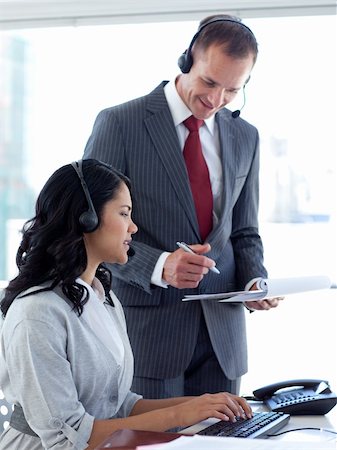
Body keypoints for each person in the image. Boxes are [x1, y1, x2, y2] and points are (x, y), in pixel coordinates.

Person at [83, 14, 283, 399]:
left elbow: (244, 231)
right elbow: (90, 228)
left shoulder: (246, 136)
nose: (215, 99)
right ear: (188, 58)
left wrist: (255, 281)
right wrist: (160, 265)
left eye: (231, 90)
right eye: (209, 82)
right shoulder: (119, 124)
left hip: (223, 341)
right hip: (150, 337)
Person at [0, 159, 252, 449]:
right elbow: (66, 438)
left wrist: (205, 404)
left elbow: (120, 404)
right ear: (86, 218)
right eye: (124, 214)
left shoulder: (101, 297)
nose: (133, 228)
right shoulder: (37, 314)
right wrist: (180, 414)